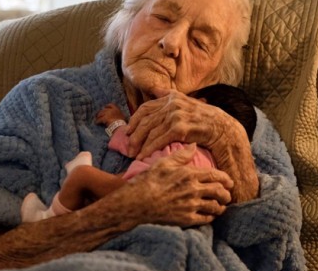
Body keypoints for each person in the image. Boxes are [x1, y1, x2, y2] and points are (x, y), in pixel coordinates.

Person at [0, 0, 304, 271]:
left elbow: (278, 265)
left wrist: (230, 141)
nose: (172, 42)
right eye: (162, 17)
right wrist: (129, 207)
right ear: (127, 18)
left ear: (216, 74)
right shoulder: (41, 100)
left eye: (199, 42)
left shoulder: (239, 124)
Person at [21, 84, 257, 222]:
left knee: (82, 176)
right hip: (185, 211)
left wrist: (116, 123)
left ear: (199, 105)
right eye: (162, 18)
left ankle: (45, 219)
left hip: (146, 193)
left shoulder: (180, 131)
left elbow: (133, 143)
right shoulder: (219, 159)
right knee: (104, 189)